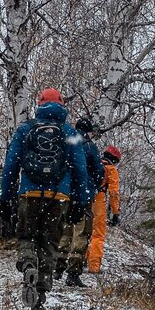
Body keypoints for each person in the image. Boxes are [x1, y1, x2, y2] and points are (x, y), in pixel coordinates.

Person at [0, 88, 89, 310]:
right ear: (62, 106)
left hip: (29, 194)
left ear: (39, 105)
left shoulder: (26, 129)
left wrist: (6, 198)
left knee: (27, 235)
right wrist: (81, 201)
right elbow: (80, 169)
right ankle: (38, 297)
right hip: (59, 197)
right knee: (49, 243)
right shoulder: (71, 132)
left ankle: (28, 263)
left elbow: (11, 166)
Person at [56, 116, 105, 288]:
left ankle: (58, 266)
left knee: (65, 229)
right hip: (83, 194)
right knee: (81, 232)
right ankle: (73, 273)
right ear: (89, 131)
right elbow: (99, 172)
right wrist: (93, 185)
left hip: (64, 192)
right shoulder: (89, 146)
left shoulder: (65, 142)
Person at [86, 145, 121, 274]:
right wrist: (115, 212)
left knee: (83, 232)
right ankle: (94, 266)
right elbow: (114, 193)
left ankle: (79, 260)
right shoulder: (111, 169)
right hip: (98, 199)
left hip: (85, 197)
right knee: (98, 235)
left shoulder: (92, 164)